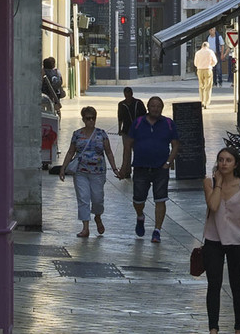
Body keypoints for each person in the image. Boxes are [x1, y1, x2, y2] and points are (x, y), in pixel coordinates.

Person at [200, 143, 240, 334]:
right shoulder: (209, 183)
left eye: (228, 160)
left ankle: (239, 330)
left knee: (237, 286)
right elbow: (214, 205)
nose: (224, 164)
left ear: (235, 165)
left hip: (237, 241)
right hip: (213, 240)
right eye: (221, 160)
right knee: (214, 284)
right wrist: (218, 184)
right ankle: (213, 330)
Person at [128, 93, 179, 242]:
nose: (155, 109)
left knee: (160, 199)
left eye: (158, 106)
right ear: (148, 107)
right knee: (138, 200)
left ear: (162, 109)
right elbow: (128, 144)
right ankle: (140, 216)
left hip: (160, 169)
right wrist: (126, 165)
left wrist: (168, 163)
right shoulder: (138, 123)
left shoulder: (169, 124)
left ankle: (157, 230)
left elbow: (176, 145)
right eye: (153, 106)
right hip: (140, 167)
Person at [60, 106, 116, 239]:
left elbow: (108, 152)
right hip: (81, 172)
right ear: (83, 119)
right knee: (83, 198)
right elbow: (71, 151)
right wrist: (63, 167)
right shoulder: (77, 134)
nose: (91, 121)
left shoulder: (101, 134)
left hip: (98, 172)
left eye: (93, 118)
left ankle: (97, 216)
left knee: (97, 199)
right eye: (88, 118)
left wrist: (114, 168)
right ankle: (85, 228)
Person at [193, 37, 217, 106]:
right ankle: (206, 102)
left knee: (201, 86)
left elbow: (195, 63)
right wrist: (211, 65)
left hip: (200, 70)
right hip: (208, 69)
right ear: (208, 46)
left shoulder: (198, 53)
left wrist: (199, 66)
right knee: (208, 87)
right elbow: (215, 61)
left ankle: (202, 101)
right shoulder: (210, 52)